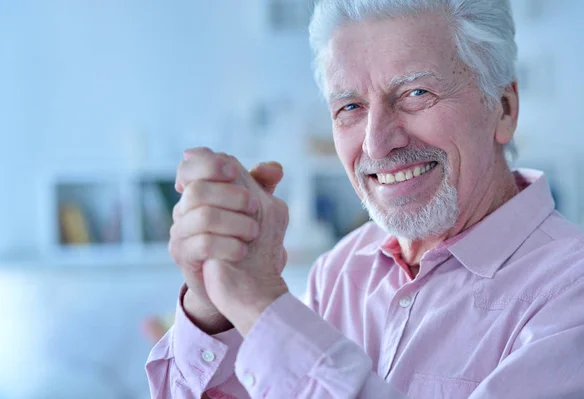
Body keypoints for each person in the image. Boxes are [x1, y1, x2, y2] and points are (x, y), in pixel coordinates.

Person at [146, 0, 584, 397]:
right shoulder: (338, 271)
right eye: (350, 107)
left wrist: (259, 305)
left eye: (416, 93)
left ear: (503, 108)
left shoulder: (571, 291)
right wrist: (215, 300)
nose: (376, 144)